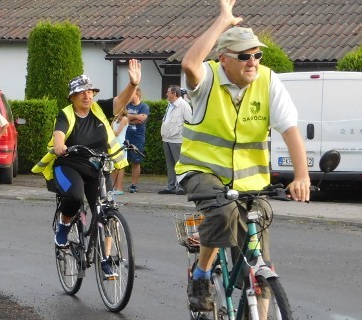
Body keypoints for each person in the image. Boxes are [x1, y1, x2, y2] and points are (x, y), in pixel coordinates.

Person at [176, 0, 310, 312]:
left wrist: (301, 175)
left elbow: (290, 129)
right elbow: (188, 65)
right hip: (202, 172)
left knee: (259, 260)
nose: (253, 62)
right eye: (244, 56)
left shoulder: (268, 81)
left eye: (257, 55)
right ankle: (202, 273)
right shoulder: (207, 79)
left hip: (251, 181)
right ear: (223, 59)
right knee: (222, 213)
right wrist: (223, 21)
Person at [31, 59, 141, 278]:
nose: (87, 96)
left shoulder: (101, 110)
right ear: (72, 97)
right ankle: (63, 230)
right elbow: (59, 134)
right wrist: (60, 145)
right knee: (74, 196)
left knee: (107, 209)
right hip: (70, 165)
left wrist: (133, 84)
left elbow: (122, 101)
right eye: (81, 93)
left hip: (98, 168)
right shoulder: (66, 114)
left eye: (90, 92)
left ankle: (106, 258)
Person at [158, 85, 192, 195]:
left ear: (174, 94)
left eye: (168, 92)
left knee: (179, 164)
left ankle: (182, 187)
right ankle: (171, 186)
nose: (167, 94)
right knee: (170, 164)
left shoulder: (184, 106)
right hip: (167, 138)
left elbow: (189, 123)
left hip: (178, 139)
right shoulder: (170, 105)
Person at [124, 87, 149, 193]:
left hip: (137, 138)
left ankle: (134, 185)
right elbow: (122, 116)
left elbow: (142, 119)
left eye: (131, 94)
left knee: (136, 162)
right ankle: (118, 184)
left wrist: (129, 119)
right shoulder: (126, 105)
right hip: (125, 137)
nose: (129, 96)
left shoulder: (144, 106)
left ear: (137, 95)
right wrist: (136, 117)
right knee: (121, 161)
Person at [111, 106, 129, 195]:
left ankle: (119, 188)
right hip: (113, 144)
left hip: (120, 144)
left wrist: (109, 132)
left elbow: (117, 132)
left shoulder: (125, 118)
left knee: (120, 167)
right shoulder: (115, 118)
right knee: (112, 166)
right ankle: (114, 187)